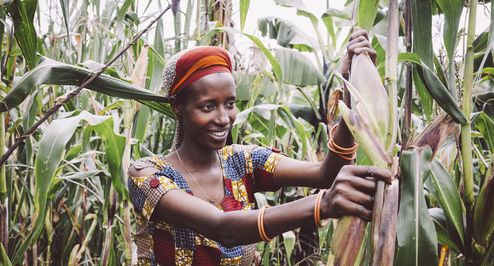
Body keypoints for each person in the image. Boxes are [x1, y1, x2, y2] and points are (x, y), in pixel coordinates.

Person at [128, 28, 393, 265]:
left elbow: (326, 173)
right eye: (208, 106)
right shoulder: (148, 177)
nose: (223, 118)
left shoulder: (242, 161)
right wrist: (322, 205)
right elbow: (223, 228)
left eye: (230, 104)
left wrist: (352, 86)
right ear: (177, 107)